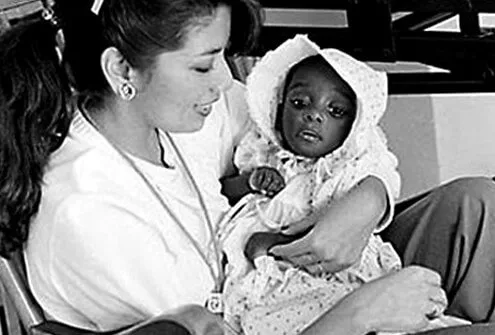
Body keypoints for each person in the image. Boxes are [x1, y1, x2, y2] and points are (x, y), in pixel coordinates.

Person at [1, 0, 494, 334]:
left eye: (225, 56)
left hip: (302, 265)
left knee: (478, 206)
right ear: (121, 71)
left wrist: (367, 201)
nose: (224, 80)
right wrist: (363, 313)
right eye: (203, 63)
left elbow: (360, 140)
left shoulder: (182, 112)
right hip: (288, 315)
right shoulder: (91, 218)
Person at [218, 35, 468, 335]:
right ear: (279, 105)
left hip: (344, 269)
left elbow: (384, 175)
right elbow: (224, 191)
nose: (314, 115)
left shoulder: (351, 166)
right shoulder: (263, 150)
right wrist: (250, 182)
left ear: (353, 126)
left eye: (335, 111)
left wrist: (372, 194)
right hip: (274, 261)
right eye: (299, 103)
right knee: (257, 250)